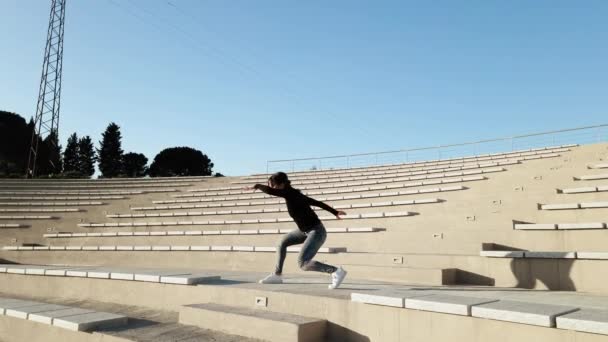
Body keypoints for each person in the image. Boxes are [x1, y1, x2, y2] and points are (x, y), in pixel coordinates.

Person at [243, 172, 348, 289]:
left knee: (303, 263)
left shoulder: (289, 193)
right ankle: (277, 275)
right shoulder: (293, 194)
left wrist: (257, 185)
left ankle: (335, 271)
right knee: (282, 243)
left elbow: (270, 191)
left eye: (274, 185)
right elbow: (316, 202)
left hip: (317, 232)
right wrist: (335, 212)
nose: (273, 188)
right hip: (304, 231)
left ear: (282, 184)